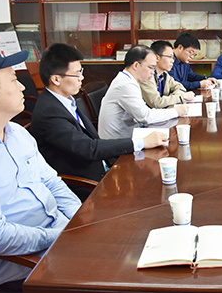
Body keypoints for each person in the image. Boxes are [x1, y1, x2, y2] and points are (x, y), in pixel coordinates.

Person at [0, 49, 81, 290]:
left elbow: (52, 182)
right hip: (22, 268)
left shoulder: (17, 132)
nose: (22, 87)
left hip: (60, 239)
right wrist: (60, 236)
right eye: (14, 80)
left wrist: (79, 220)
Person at [30, 44, 168, 192]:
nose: (82, 78)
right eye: (76, 74)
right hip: (86, 183)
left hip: (102, 166)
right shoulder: (49, 113)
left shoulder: (66, 100)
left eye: (81, 72)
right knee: (151, 186)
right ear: (56, 79)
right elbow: (88, 148)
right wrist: (141, 142)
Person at [98, 45, 188, 140]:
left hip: (129, 134)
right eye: (151, 67)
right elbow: (145, 116)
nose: (153, 72)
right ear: (136, 65)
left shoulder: (130, 80)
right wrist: (175, 111)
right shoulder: (126, 85)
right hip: (119, 142)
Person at [141, 40, 195, 108]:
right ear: (157, 58)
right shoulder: (147, 76)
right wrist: (181, 96)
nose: (172, 61)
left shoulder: (165, 75)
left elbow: (180, 87)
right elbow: (156, 103)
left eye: (173, 57)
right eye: (169, 57)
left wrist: (174, 97)